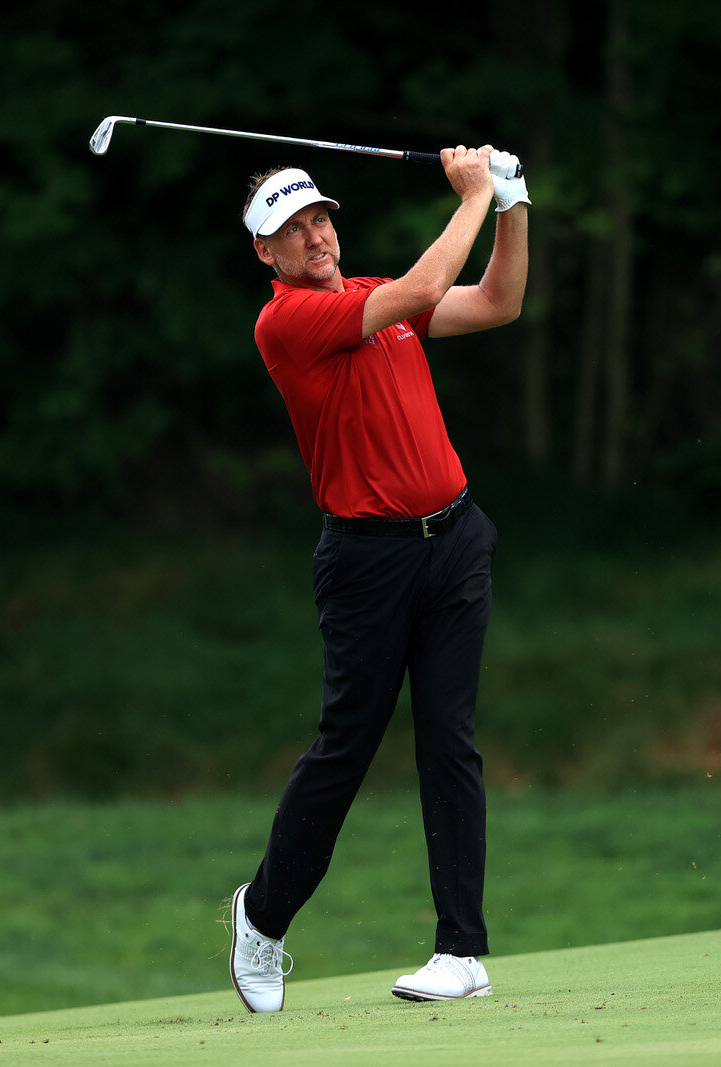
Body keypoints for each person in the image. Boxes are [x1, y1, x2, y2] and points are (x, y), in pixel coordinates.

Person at [227, 144, 530, 1013]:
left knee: (450, 739)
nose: (315, 235)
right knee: (347, 747)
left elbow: (501, 302)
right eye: (293, 229)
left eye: (320, 217)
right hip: (369, 561)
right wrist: (473, 194)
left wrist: (514, 205)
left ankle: (461, 949)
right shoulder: (285, 323)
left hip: (455, 539)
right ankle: (264, 915)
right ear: (266, 253)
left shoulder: (370, 300)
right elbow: (427, 287)